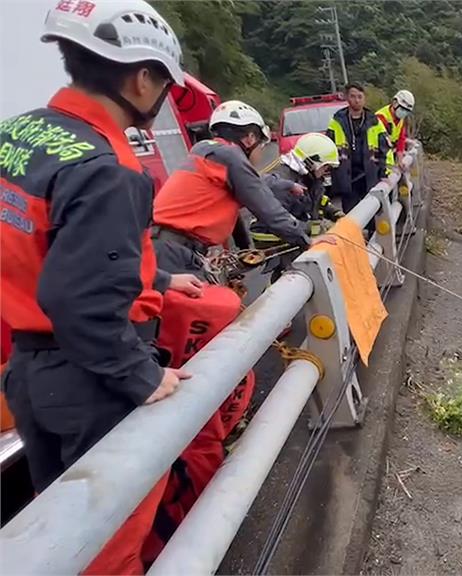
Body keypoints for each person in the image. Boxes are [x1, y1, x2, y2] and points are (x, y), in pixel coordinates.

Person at [0, 1, 197, 572]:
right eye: (164, 83)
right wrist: (142, 374)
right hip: (89, 380)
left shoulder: (20, 134)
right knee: (107, 543)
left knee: (58, 532)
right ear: (142, 77)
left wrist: (157, 276)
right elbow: (79, 299)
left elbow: (53, 251)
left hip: (30, 374)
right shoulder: (107, 167)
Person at [151, 99, 310, 277]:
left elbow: (254, 182)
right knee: (222, 304)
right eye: (262, 145)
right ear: (250, 138)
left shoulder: (207, 151)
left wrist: (288, 184)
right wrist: (305, 240)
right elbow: (269, 210)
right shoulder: (230, 156)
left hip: (162, 247)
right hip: (173, 252)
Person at [251, 132, 342, 277]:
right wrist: (310, 230)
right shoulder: (282, 184)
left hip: (298, 240)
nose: (327, 172)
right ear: (312, 161)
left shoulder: (307, 175)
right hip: (281, 246)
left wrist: (334, 213)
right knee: (293, 282)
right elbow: (275, 223)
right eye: (326, 167)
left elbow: (315, 199)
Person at [326, 82, 381, 212]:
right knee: (351, 214)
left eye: (360, 97)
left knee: (372, 213)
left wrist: (384, 172)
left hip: (369, 174)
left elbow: (384, 147)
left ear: (364, 98)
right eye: (353, 96)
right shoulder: (337, 121)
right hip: (347, 176)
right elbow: (328, 145)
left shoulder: (373, 121)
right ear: (347, 97)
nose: (356, 100)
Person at [368, 89, 414, 178]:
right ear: (395, 103)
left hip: (389, 163)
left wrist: (400, 160)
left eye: (406, 111)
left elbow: (401, 139)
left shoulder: (401, 120)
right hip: (377, 163)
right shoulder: (381, 118)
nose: (404, 112)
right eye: (402, 109)